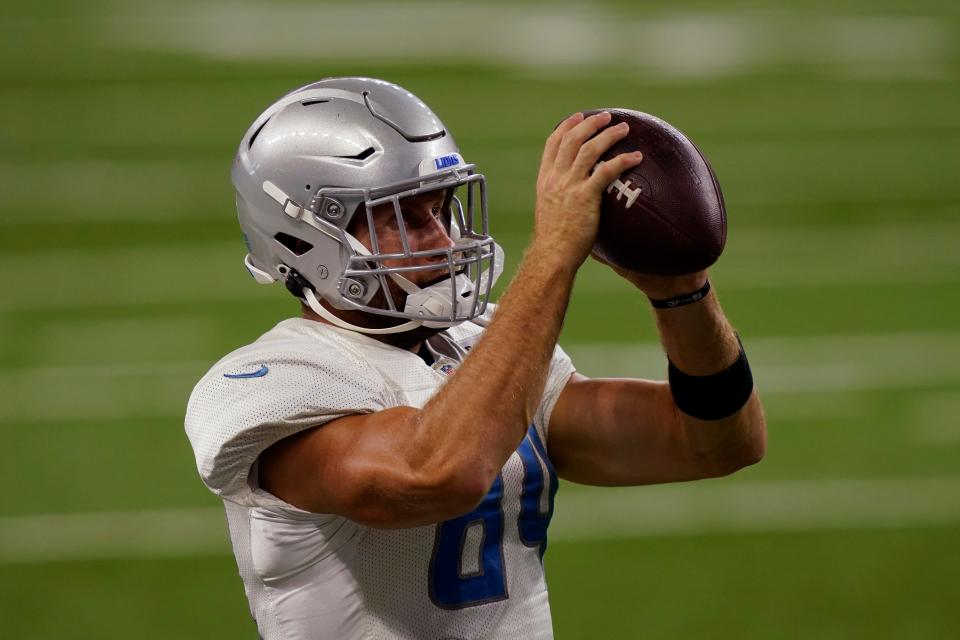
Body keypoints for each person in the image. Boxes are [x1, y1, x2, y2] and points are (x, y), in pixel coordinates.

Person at [185, 77, 766, 640]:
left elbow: (712, 440)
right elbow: (437, 472)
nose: (441, 238)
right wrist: (553, 255)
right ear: (303, 238)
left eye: (441, 208)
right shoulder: (268, 383)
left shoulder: (479, 344)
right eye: (405, 218)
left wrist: (682, 292)